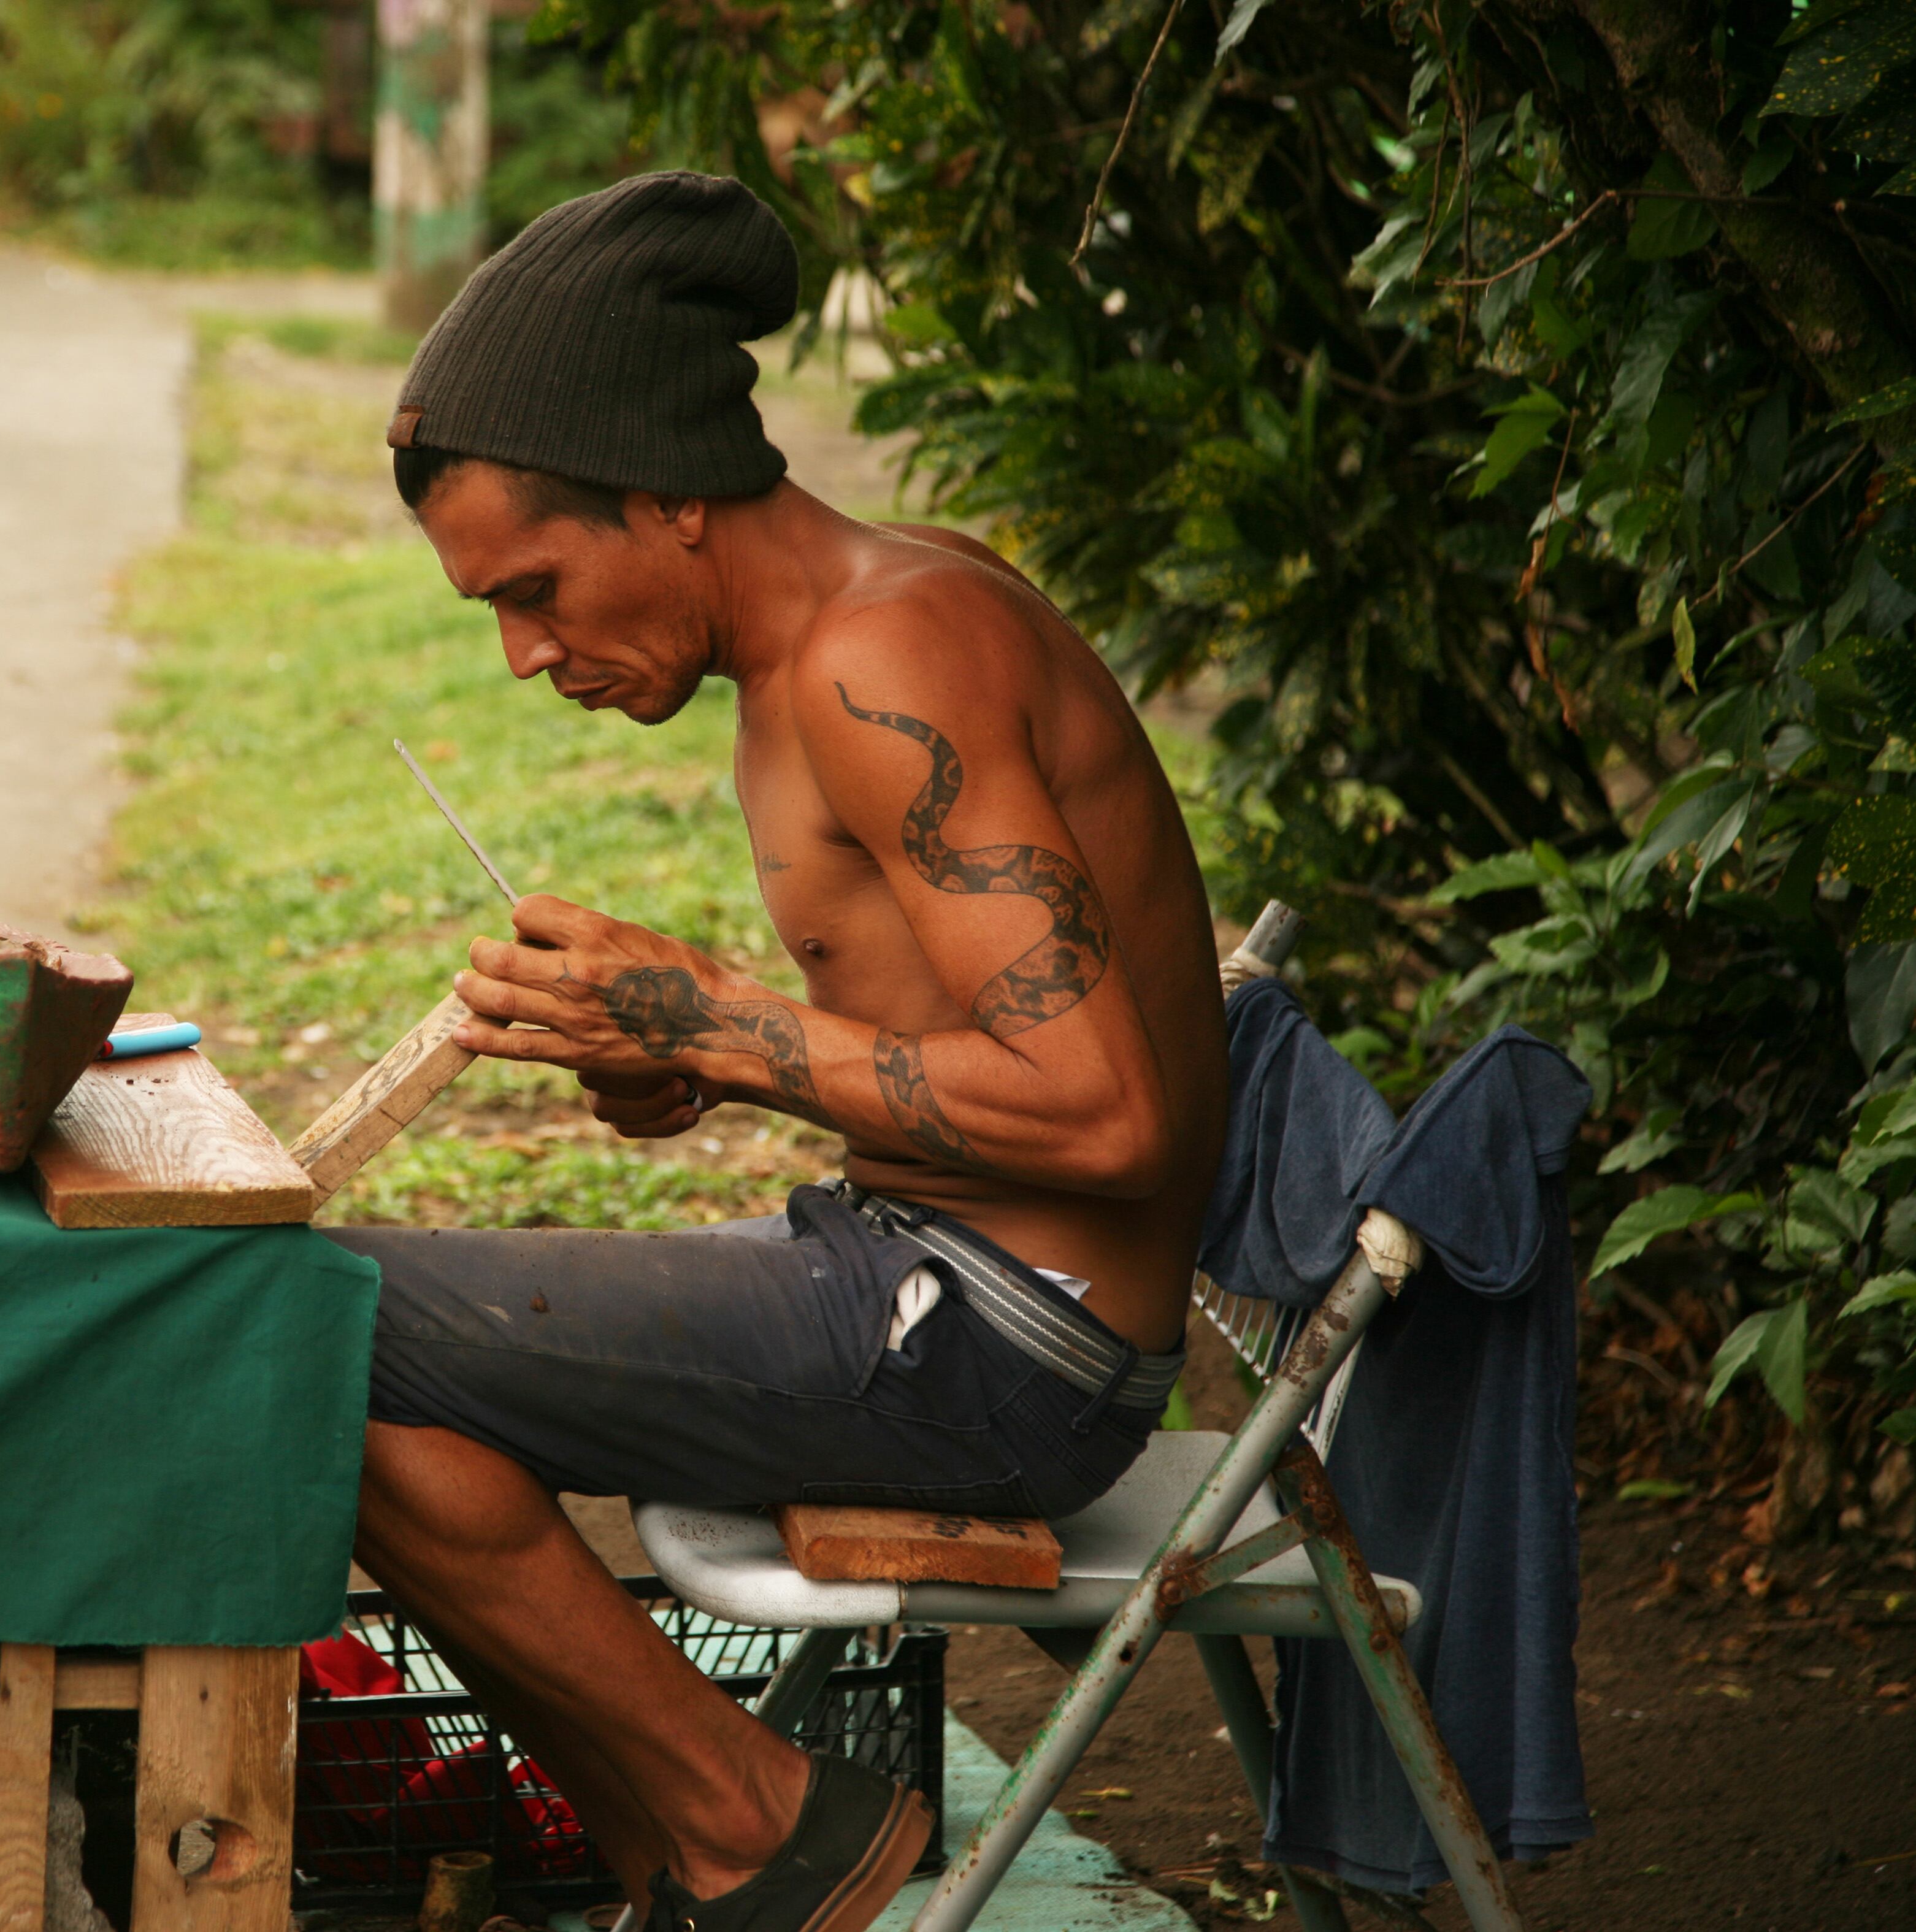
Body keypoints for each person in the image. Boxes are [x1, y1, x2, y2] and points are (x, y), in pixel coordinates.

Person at [323, 171, 1230, 1932]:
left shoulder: (886, 655)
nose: (525, 655)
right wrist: (679, 1061)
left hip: (1003, 1353)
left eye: (535, 588)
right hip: (918, 1273)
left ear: (665, 496)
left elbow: (1106, 1117)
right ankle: (686, 1860)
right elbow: (940, 1036)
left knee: (299, 1318)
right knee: (327, 1361)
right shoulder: (840, 630)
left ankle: (763, 1830)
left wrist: (715, 1020)